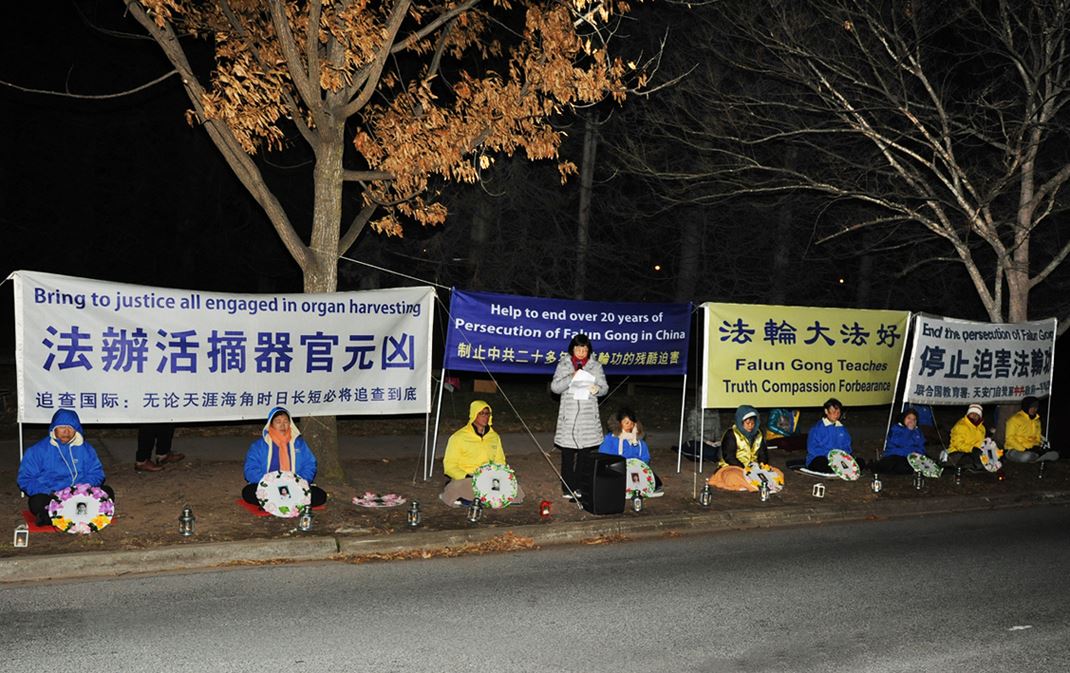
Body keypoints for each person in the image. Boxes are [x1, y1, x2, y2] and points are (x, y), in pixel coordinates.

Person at [17, 409, 114, 527]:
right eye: (62, 427)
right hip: (52, 495)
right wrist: (50, 492)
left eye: (70, 428)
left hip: (80, 495)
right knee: (36, 502)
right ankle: (76, 514)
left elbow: (97, 473)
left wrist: (83, 488)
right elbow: (25, 479)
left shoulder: (86, 449)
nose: (66, 431)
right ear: (54, 428)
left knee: (107, 492)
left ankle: (57, 517)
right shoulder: (38, 450)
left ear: (76, 430)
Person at [550, 334, 608, 500]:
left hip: (588, 417)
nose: (581, 352)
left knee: (585, 454)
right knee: (567, 453)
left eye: (584, 349)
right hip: (569, 417)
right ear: (572, 349)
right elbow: (555, 388)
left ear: (588, 350)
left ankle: (580, 486)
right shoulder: (564, 365)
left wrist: (597, 389)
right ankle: (567, 487)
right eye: (578, 349)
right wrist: (571, 377)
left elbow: (605, 388)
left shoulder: (595, 366)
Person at [439, 400, 525, 507]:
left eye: (487, 413)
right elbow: (449, 466)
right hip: (468, 477)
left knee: (515, 489)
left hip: (489, 478)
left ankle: (477, 499)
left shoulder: (494, 437)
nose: (485, 417)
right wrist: (468, 476)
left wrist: (500, 475)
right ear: (474, 414)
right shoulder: (458, 437)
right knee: (462, 488)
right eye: (482, 413)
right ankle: (464, 495)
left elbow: (500, 461)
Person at [241, 407, 327, 508]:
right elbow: (250, 469)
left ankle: (274, 504)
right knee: (248, 492)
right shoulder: (259, 445)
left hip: (294, 486)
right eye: (278, 421)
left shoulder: (299, 444)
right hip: (268, 487)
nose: (283, 425)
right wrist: (267, 482)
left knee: (320, 495)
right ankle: (288, 503)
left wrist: (300, 481)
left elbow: (310, 464)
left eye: (286, 421)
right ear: (270, 424)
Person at [708, 405, 784, 491]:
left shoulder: (758, 434)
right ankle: (757, 485)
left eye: (752, 423)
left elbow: (763, 453)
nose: (750, 426)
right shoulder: (731, 434)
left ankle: (753, 484)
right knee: (732, 477)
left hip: (754, 468)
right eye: (747, 423)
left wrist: (761, 465)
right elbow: (729, 456)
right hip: (734, 467)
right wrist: (744, 469)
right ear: (740, 422)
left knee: (778, 473)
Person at [598, 408, 663, 496]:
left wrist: (638, 463)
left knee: (654, 479)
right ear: (618, 424)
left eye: (632, 423)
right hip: (618, 469)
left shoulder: (639, 442)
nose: (630, 426)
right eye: (627, 423)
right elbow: (604, 456)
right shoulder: (610, 440)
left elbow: (645, 458)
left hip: (635, 470)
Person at [805, 398, 865, 472]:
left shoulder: (842, 429)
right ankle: (839, 469)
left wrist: (841, 455)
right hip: (821, 458)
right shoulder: (816, 429)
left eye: (838, 412)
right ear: (826, 411)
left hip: (838, 460)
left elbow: (847, 447)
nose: (836, 415)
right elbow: (812, 449)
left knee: (860, 462)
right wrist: (831, 454)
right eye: (833, 412)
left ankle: (838, 469)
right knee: (821, 462)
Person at [1004, 396, 1058, 463]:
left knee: (1055, 454)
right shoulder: (1014, 419)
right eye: (1032, 407)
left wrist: (1038, 445)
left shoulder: (1037, 421)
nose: (1034, 409)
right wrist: (1024, 449)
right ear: (1026, 406)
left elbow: (1038, 437)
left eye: (1036, 407)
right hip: (1015, 450)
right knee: (1026, 456)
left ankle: (1037, 456)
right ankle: (1038, 458)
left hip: (1031, 449)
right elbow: (1009, 439)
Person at [874, 408, 926, 475]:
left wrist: (918, 454)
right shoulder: (896, 429)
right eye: (909, 418)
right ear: (903, 418)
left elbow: (921, 446)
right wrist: (909, 431)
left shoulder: (917, 432)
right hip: (895, 455)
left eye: (914, 419)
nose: (911, 421)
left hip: (911, 457)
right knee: (896, 466)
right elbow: (900, 443)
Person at [946, 403, 988, 471]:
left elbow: (981, 443)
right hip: (957, 453)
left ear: (980, 416)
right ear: (968, 413)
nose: (974, 416)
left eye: (977, 414)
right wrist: (972, 449)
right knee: (969, 458)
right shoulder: (961, 426)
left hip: (975, 452)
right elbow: (957, 444)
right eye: (972, 413)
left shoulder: (982, 428)